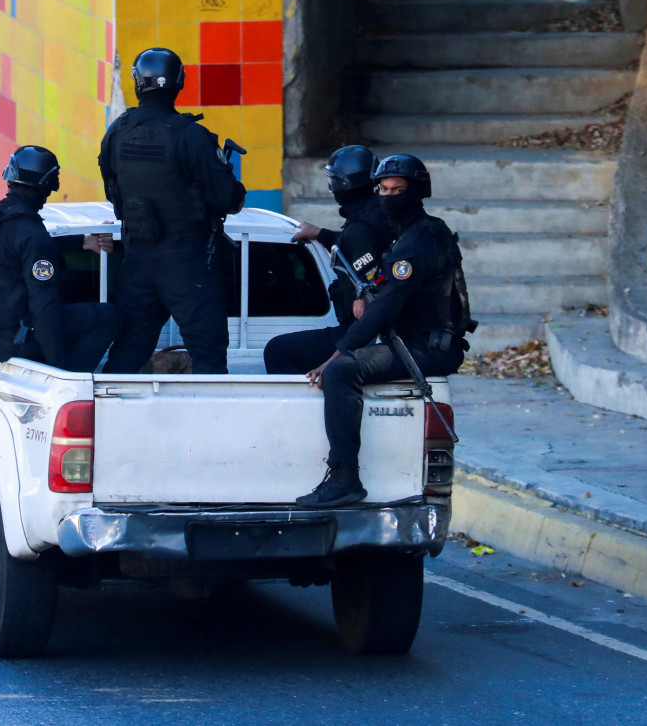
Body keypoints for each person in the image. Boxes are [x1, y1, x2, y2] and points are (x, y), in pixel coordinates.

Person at [297, 153, 475, 508]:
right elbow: (377, 272)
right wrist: (324, 236)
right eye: (383, 188)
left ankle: (344, 477)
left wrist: (337, 354)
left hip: (431, 347)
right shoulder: (411, 233)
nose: (389, 196)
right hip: (417, 341)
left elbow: (387, 307)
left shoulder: (417, 242)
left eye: (398, 189)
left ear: (418, 191)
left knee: (342, 371)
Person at [98, 47, 247, 374]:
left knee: (126, 355)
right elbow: (229, 200)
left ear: (137, 82)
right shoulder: (191, 136)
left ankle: (113, 423)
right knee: (208, 356)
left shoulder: (117, 132)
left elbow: (114, 192)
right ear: (180, 83)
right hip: (188, 264)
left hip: (137, 261)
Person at [0, 145, 120, 373]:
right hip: (10, 342)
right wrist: (59, 369)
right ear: (46, 186)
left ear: (11, 180)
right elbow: (44, 309)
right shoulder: (31, 235)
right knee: (108, 316)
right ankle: (79, 375)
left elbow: (21, 249)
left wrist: (83, 242)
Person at [264, 145, 396, 375]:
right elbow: (356, 244)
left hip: (362, 335)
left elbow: (371, 289)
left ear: (343, 185)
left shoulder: (360, 228)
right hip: (375, 332)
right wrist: (321, 234)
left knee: (277, 350)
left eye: (334, 181)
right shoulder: (377, 214)